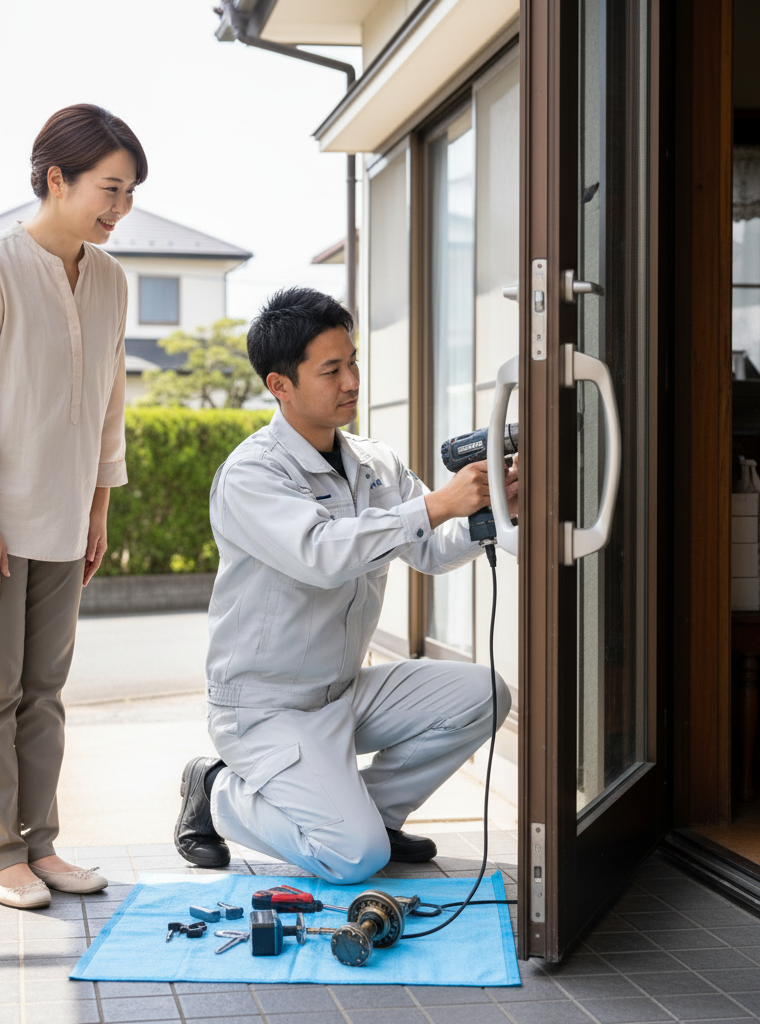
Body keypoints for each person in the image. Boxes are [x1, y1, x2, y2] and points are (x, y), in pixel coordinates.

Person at [174, 287, 519, 884]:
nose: (351, 382)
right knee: (353, 859)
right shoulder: (253, 473)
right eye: (331, 370)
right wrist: (439, 504)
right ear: (280, 385)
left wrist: (493, 510)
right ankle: (218, 788)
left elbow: (429, 548)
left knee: (484, 693)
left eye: (353, 362)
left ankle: (374, 817)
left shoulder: (374, 462)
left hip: (343, 692)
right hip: (266, 709)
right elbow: (323, 555)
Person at [0, 104, 147, 909]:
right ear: (57, 179)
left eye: (130, 193)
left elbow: (109, 407)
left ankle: (40, 844)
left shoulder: (112, 280)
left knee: (44, 691)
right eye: (110, 189)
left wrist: (99, 509)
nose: (121, 208)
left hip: (64, 513)